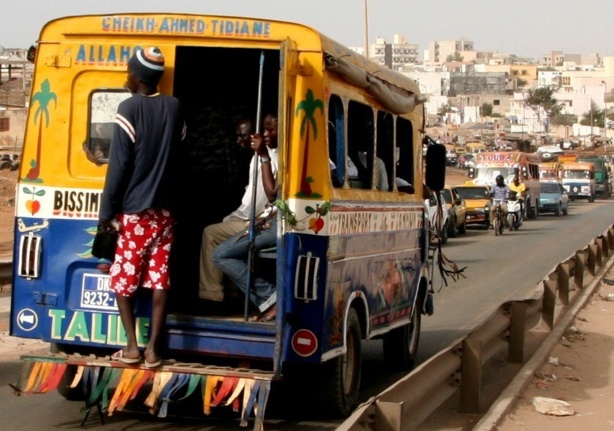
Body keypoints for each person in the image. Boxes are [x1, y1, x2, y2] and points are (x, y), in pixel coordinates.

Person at [99, 46, 186, 368]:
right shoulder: (174, 107)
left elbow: (118, 166)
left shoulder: (129, 108)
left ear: (135, 76)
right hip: (164, 213)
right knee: (159, 279)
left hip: (135, 212)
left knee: (124, 279)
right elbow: (177, 153)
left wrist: (106, 212)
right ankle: (153, 350)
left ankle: (132, 347)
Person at [198, 117, 279, 303]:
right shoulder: (260, 157)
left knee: (211, 234)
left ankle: (212, 295)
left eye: (241, 136)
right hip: (258, 219)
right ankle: (232, 292)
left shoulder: (267, 158)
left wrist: (232, 218)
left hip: (259, 222)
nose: (238, 140)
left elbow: (258, 202)